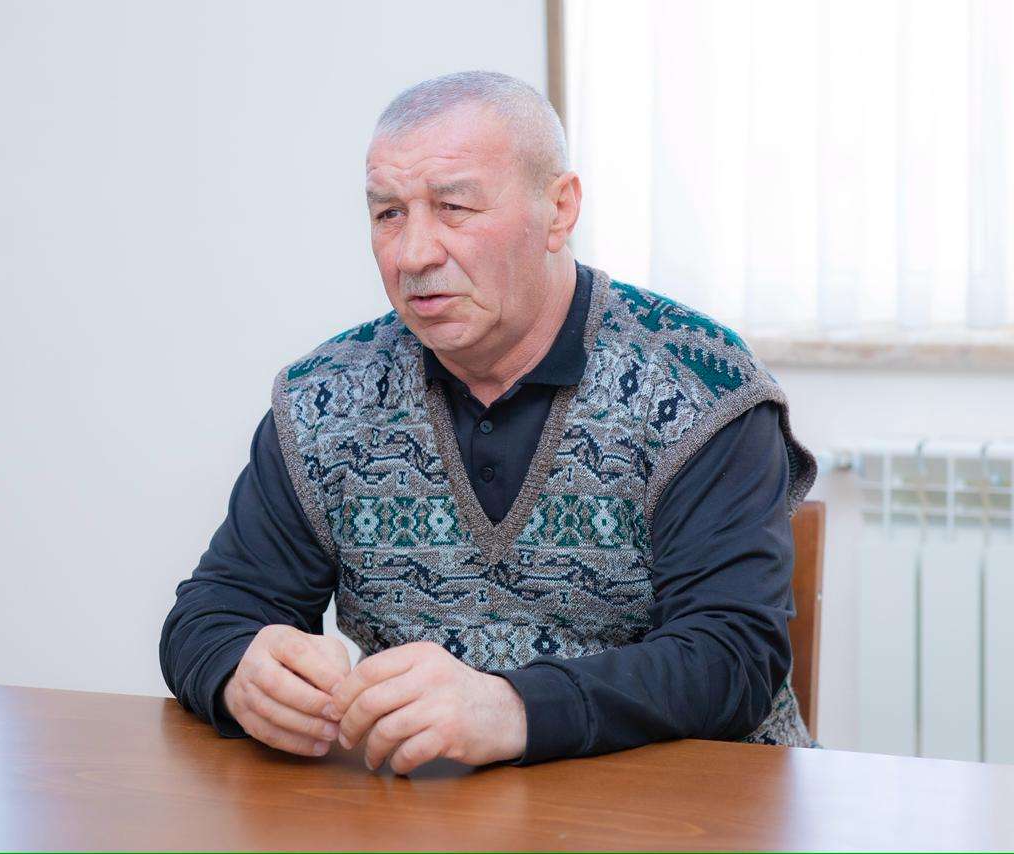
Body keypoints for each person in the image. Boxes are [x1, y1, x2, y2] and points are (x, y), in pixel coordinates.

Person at [160, 70, 818, 776]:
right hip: (435, 809)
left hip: (688, 807)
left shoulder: (699, 383)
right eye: (388, 214)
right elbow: (214, 611)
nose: (413, 254)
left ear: (559, 210)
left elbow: (731, 657)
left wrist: (513, 709)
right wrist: (239, 669)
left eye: (454, 207)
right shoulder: (324, 399)